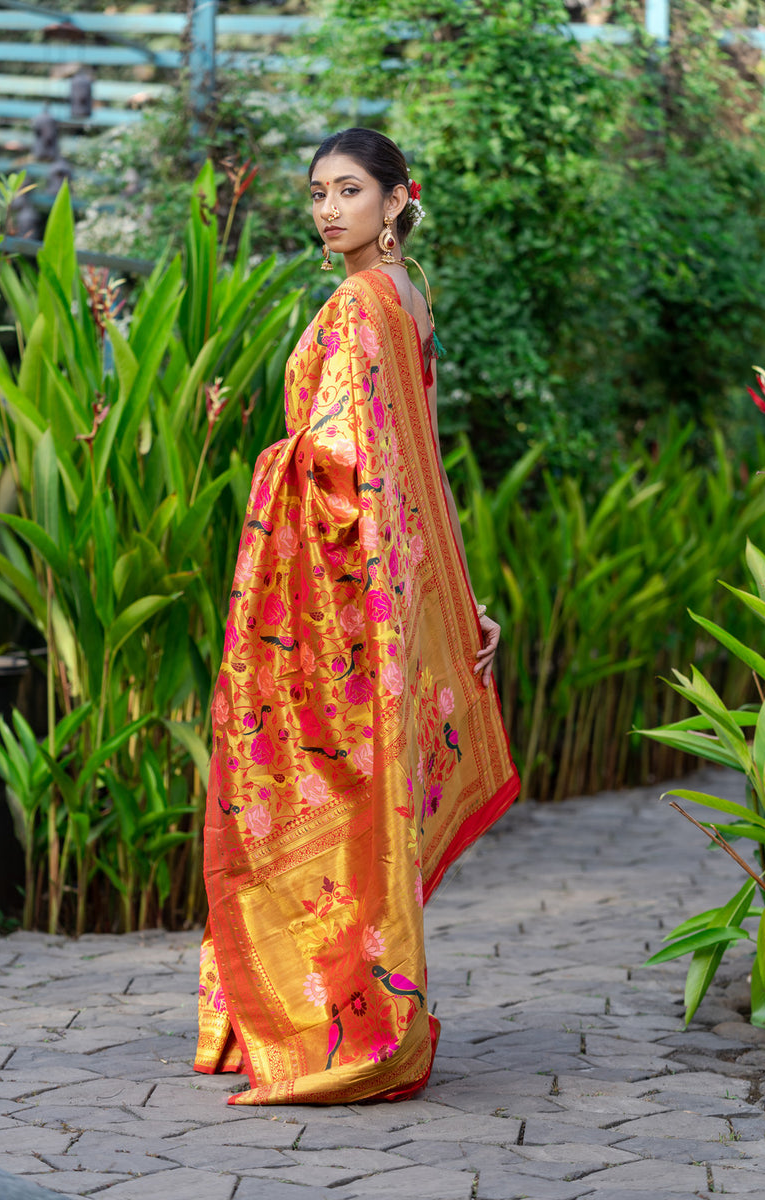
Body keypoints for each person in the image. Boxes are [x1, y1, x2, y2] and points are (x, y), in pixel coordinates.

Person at [194, 128, 519, 1104]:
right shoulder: (407, 296)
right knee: (352, 802)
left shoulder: (358, 302)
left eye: (348, 191)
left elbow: (354, 463)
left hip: (342, 601)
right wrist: (454, 598)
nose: (328, 209)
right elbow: (418, 462)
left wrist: (272, 461)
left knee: (319, 795)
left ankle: (338, 1029)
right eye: (316, 194)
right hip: (389, 587)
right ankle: (328, 1011)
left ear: (394, 199)